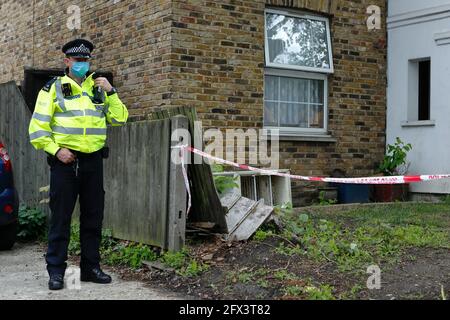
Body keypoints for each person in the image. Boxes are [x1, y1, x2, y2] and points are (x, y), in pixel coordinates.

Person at [28, 39, 128, 290]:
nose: (82, 64)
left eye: (85, 60)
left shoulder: (99, 89)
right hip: (65, 162)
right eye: (77, 60)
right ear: (67, 62)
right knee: (61, 218)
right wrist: (55, 150)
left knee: (93, 217)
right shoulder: (52, 89)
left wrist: (112, 92)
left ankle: (90, 268)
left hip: (93, 162)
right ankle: (56, 272)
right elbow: (37, 129)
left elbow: (119, 119)